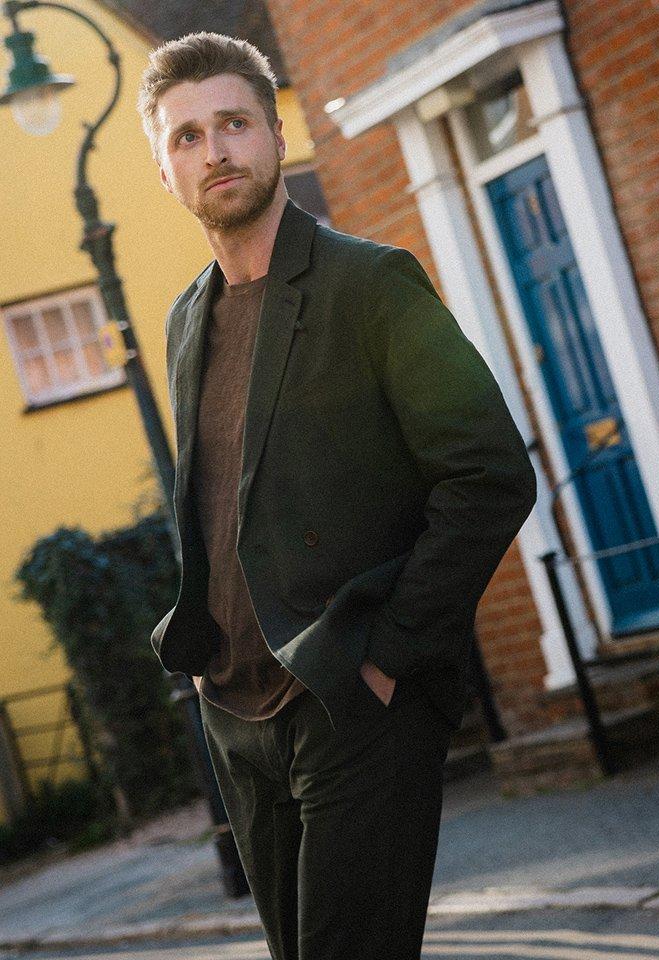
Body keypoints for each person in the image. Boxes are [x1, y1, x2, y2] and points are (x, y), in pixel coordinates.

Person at [137, 31, 536, 960]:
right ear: (164, 172)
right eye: (187, 137)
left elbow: (489, 475)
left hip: (348, 699)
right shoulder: (186, 320)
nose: (216, 150)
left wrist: (389, 654)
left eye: (234, 123)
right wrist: (202, 659)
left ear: (277, 136)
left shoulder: (372, 284)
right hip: (235, 714)